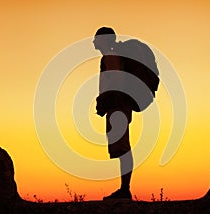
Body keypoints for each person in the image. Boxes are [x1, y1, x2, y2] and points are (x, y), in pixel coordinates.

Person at [93, 27, 133, 200]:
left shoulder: (110, 56)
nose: (93, 42)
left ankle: (125, 190)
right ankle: (124, 188)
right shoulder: (111, 55)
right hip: (118, 106)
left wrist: (106, 101)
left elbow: (117, 80)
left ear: (104, 40)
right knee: (121, 147)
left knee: (123, 148)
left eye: (96, 39)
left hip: (118, 106)